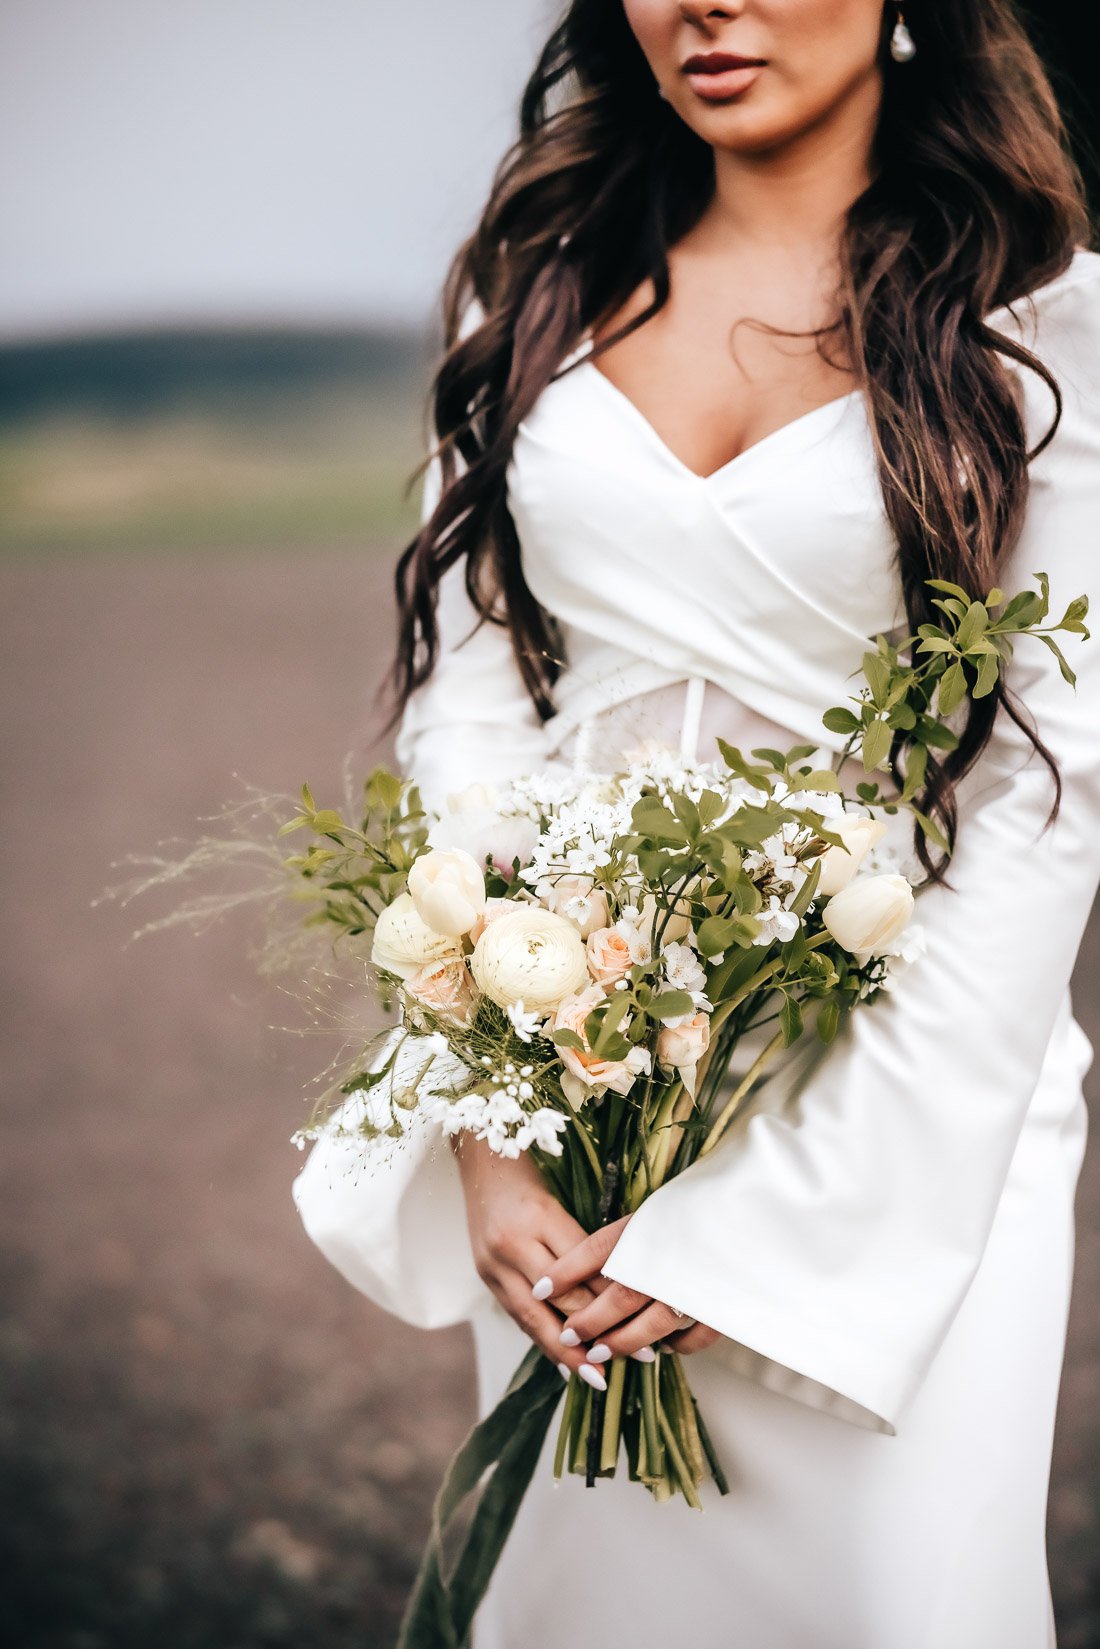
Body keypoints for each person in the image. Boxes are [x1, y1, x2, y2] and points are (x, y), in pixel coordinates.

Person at [293, 3, 1100, 1644]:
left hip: (903, 1107)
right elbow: (473, 700)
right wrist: (491, 1112)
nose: (701, 5)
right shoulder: (544, 287)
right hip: (583, 1079)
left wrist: (771, 1225)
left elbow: (1040, 790)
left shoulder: (1046, 328)